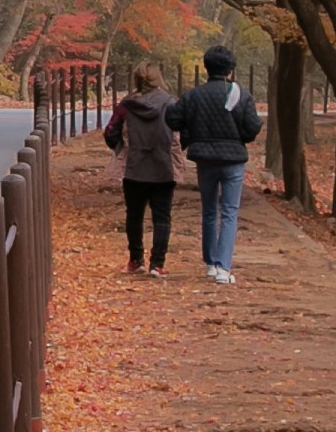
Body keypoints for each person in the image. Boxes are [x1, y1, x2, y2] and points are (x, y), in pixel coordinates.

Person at [172, 45, 264, 281]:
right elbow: (253, 126)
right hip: (233, 159)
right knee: (230, 212)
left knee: (210, 210)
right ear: (230, 70)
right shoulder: (241, 95)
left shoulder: (194, 95)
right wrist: (240, 137)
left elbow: (172, 117)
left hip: (204, 159)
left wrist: (190, 132)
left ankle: (211, 263)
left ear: (206, 68)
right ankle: (224, 267)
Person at [103, 66, 182, 271]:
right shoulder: (171, 104)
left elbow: (110, 132)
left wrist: (121, 148)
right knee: (162, 217)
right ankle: (158, 264)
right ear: (158, 80)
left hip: (134, 166)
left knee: (134, 215)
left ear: (136, 81)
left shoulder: (127, 106)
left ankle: (136, 259)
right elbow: (183, 130)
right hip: (164, 166)